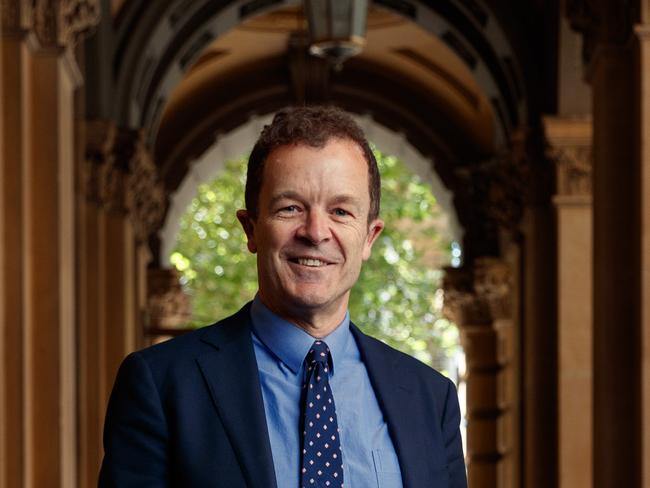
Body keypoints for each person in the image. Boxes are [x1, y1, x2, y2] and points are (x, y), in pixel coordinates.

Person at [99, 106, 467, 488]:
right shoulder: (161, 385)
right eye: (290, 208)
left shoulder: (430, 399)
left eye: (341, 211)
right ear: (251, 228)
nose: (315, 232)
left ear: (369, 237)